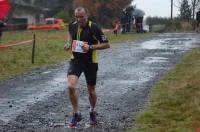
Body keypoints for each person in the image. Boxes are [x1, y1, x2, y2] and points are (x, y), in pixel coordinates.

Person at [64, 6, 110, 128]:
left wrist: (90, 47)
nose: (79, 19)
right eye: (77, 17)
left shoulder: (94, 27)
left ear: (86, 16)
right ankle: (76, 113)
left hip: (90, 62)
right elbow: (70, 34)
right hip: (76, 61)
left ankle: (92, 110)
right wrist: (69, 43)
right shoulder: (72, 25)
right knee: (70, 86)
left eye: (82, 17)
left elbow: (106, 44)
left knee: (91, 91)